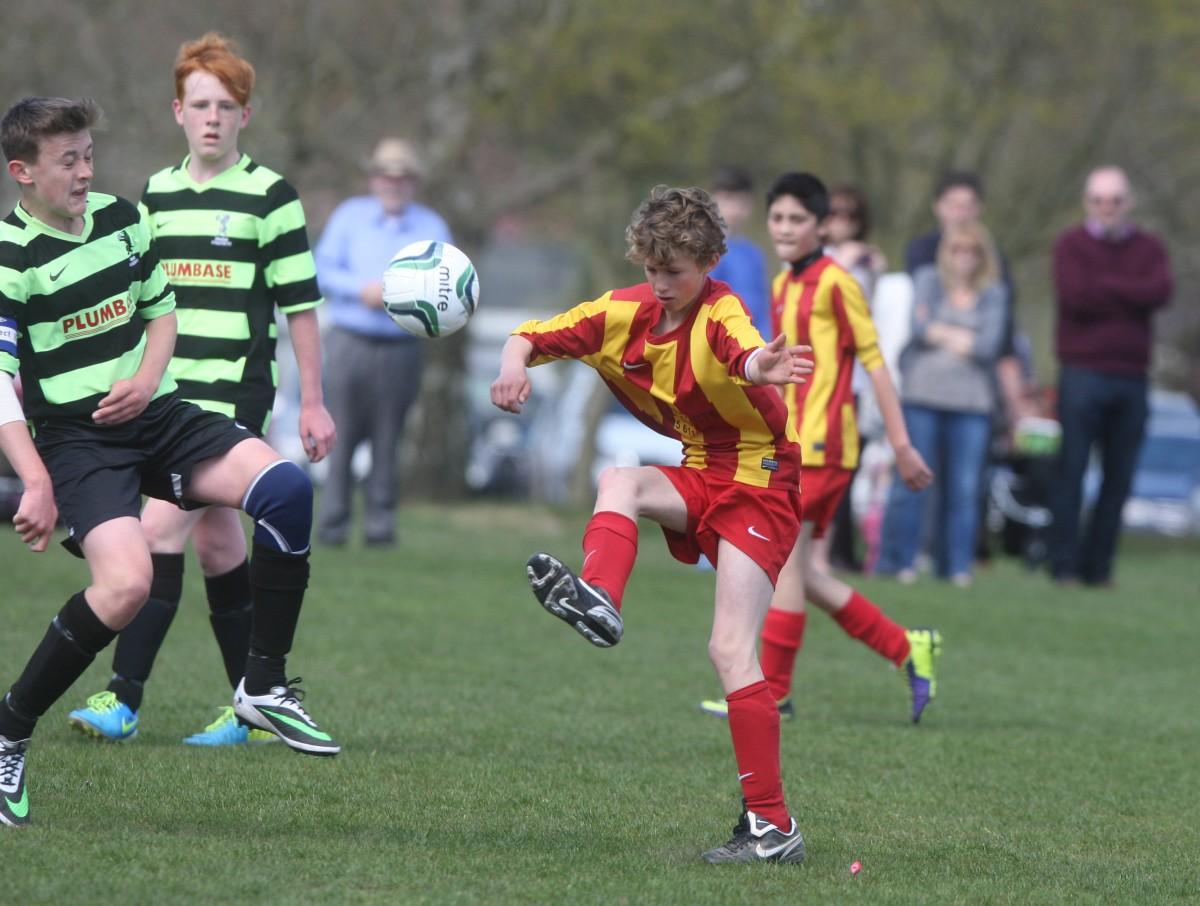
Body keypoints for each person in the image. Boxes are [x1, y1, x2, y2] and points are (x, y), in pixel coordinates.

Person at [0, 96, 339, 829]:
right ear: (22, 172)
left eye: (90, 155)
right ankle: (10, 730)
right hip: (77, 442)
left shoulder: (126, 219)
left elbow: (161, 311)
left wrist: (148, 379)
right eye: (69, 162)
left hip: (162, 413)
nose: (86, 172)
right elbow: (0, 380)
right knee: (126, 586)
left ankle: (262, 685)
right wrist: (33, 477)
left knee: (284, 489)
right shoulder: (9, 257)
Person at [492, 185, 812, 864]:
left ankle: (773, 828)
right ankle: (601, 597)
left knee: (729, 651)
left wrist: (766, 367)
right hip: (702, 466)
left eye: (679, 271)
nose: (664, 284)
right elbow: (528, 336)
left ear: (711, 263)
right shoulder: (620, 313)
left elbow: (743, 353)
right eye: (653, 269)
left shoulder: (723, 309)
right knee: (619, 478)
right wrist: (510, 369)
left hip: (760, 480)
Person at [64, 33, 336, 747]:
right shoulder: (154, 194)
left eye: (226, 105)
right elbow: (142, 302)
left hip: (234, 398)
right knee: (219, 549)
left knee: (157, 529)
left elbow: (300, 307)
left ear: (245, 116)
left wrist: (311, 400)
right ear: (176, 111)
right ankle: (250, 702)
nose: (212, 117)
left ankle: (123, 699)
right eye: (200, 105)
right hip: (168, 398)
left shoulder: (271, 196)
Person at [698, 172, 940, 726]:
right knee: (800, 573)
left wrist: (901, 444)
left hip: (828, 447)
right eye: (777, 218)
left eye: (797, 219)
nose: (784, 228)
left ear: (821, 225)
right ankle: (906, 648)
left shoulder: (838, 282)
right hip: (793, 444)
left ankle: (774, 695)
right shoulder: (784, 286)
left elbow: (875, 362)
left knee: (784, 570)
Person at [315, 137, 452, 547]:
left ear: (414, 182)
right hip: (348, 342)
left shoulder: (432, 227)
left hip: (401, 347)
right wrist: (362, 290)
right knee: (337, 434)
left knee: (389, 439)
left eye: (402, 177)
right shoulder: (349, 218)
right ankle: (333, 524)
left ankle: (379, 527)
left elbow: (448, 285)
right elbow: (321, 271)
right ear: (373, 178)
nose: (393, 183)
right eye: (386, 175)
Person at [1048, 166, 1172, 587]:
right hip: (1082, 373)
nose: (1107, 208)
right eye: (1099, 200)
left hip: (1131, 377)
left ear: (1129, 202)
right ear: (1087, 202)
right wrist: (1128, 292)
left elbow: (1159, 292)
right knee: (1072, 469)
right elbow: (1076, 296)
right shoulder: (1070, 245)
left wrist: (1105, 287)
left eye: (1115, 200)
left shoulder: (1150, 247)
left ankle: (1098, 568)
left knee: (1119, 476)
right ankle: (1062, 564)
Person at [878, 221, 1008, 586]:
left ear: (983, 257)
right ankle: (898, 560)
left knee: (964, 489)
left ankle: (955, 566)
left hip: (972, 403)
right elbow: (919, 329)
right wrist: (962, 335)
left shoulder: (994, 293)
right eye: (957, 249)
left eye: (972, 251)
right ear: (946, 253)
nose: (964, 258)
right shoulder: (928, 280)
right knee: (912, 481)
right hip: (923, 395)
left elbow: (988, 345)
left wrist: (942, 331)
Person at [814, 184, 888, 573]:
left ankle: (841, 551)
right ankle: (821, 551)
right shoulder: (814, 258)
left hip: (854, 382)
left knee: (847, 467)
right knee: (821, 468)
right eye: (835, 212)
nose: (842, 221)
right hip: (818, 382)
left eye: (850, 215)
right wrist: (845, 260)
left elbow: (867, 314)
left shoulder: (863, 263)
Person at [709, 166, 771, 338]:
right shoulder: (705, 251)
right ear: (714, 201)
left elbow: (762, 305)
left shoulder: (754, 253)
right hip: (722, 342)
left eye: (742, 203)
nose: (735, 210)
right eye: (728, 200)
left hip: (754, 344)